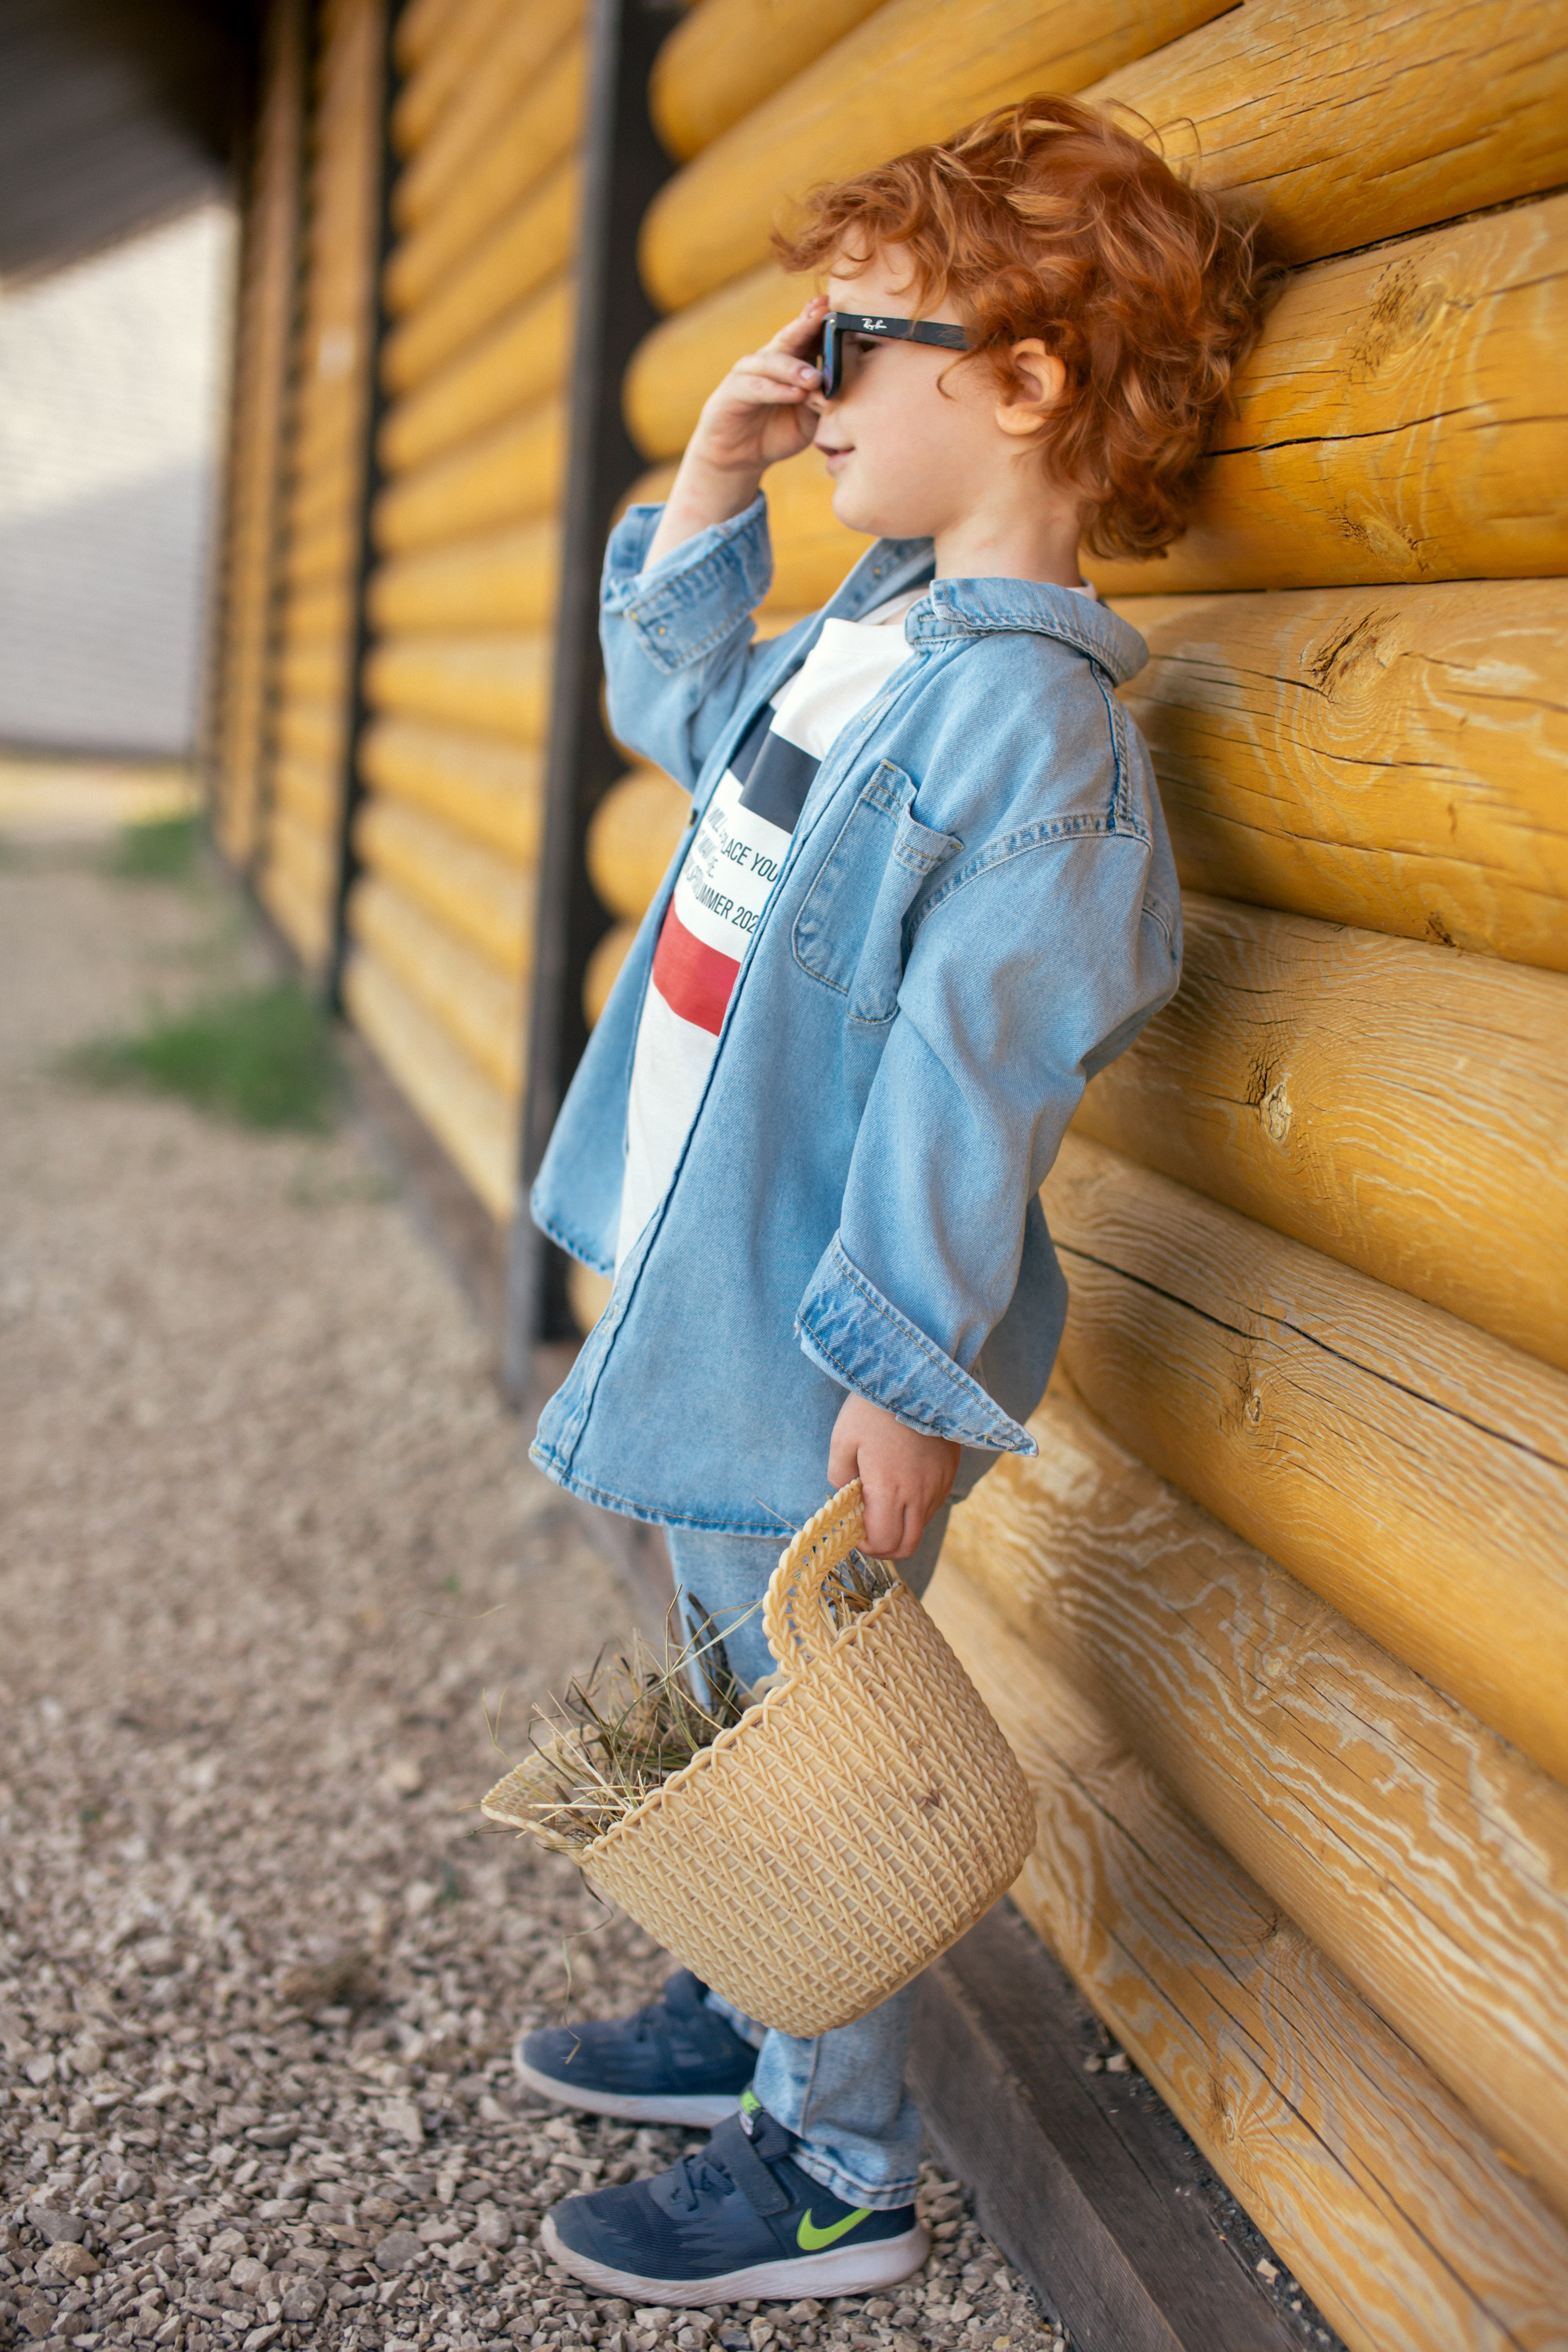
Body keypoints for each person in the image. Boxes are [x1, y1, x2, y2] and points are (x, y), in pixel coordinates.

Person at [519, 93, 1276, 2306]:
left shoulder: (1031, 738)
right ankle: (760, 1994)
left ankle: (829, 2162)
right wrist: (721, 477)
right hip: (706, 1256)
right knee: (724, 1662)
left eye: (848, 349)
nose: (810, 382)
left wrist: (903, 1367)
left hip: (819, 1321)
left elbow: (980, 1083)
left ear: (1022, 383)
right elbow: (670, 703)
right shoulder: (870, 635)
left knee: (812, 1728)